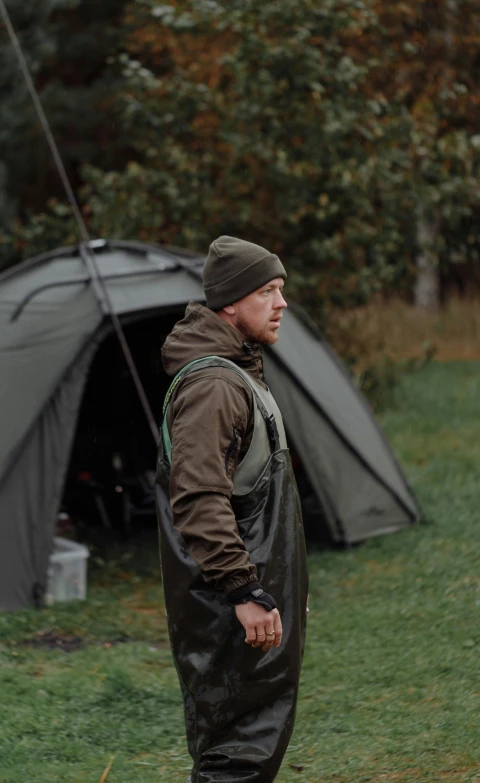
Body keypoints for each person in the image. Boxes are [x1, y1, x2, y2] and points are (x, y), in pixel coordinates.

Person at [155, 235, 308, 783]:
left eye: (281, 289)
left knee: (250, 744)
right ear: (230, 304)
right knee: (237, 754)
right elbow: (197, 497)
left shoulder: (237, 371)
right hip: (228, 610)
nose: (281, 302)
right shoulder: (216, 384)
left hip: (250, 602)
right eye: (267, 290)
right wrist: (244, 591)